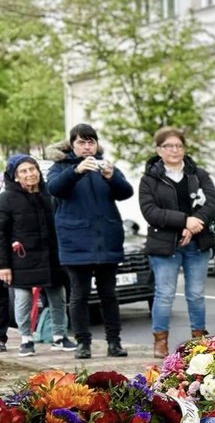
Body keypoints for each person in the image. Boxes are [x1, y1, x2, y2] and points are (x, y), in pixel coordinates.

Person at [47, 123, 132, 359]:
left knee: (109, 295)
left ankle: (114, 342)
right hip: (75, 241)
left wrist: (112, 177)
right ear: (72, 145)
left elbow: (126, 192)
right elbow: (53, 188)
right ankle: (83, 343)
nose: (87, 146)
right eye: (82, 142)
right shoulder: (60, 167)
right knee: (79, 295)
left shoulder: (105, 165)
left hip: (107, 240)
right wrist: (76, 172)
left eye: (91, 141)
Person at [138, 128, 215, 357]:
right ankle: (160, 341)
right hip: (164, 245)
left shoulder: (198, 174)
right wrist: (185, 221)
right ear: (159, 150)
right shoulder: (149, 179)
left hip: (198, 241)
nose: (174, 150)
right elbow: (150, 211)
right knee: (164, 293)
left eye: (178, 146)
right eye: (168, 146)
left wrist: (195, 223)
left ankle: (199, 339)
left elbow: (213, 203)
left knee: (196, 293)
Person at [0, 156, 74, 356]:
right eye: (23, 171)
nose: (30, 174)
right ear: (15, 177)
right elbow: (1, 234)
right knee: (22, 301)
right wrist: (3, 265)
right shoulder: (6, 199)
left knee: (58, 298)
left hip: (52, 256)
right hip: (21, 259)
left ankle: (59, 336)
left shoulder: (50, 193)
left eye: (32, 169)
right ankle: (26, 339)